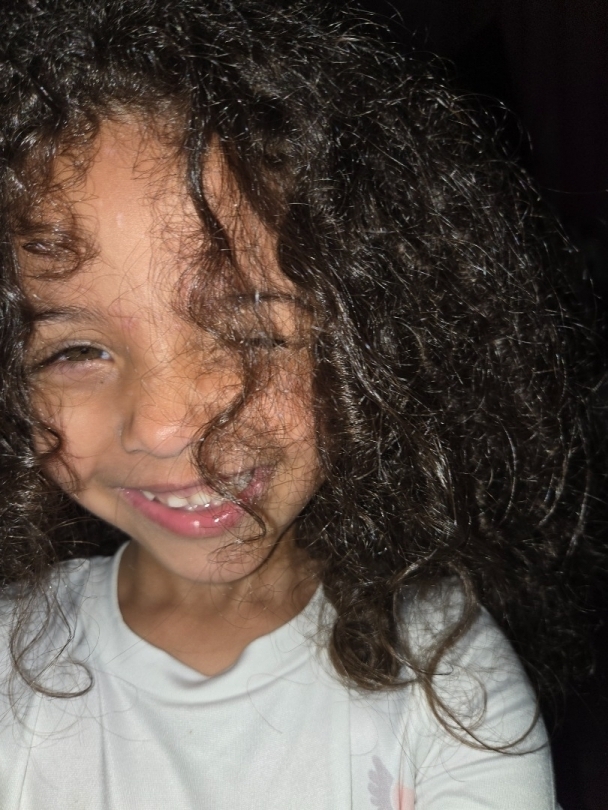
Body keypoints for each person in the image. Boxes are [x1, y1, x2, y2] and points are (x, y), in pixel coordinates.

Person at [0, 1, 596, 808]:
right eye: (76, 351)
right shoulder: (14, 658)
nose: (165, 425)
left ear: (376, 335)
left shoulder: (443, 674)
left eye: (248, 332)